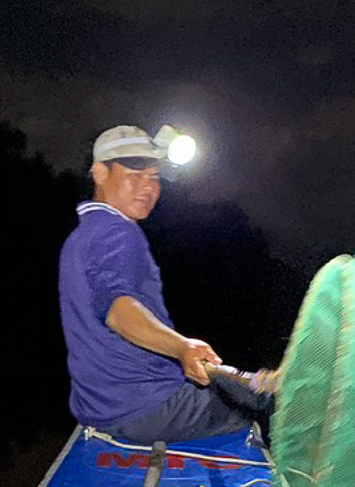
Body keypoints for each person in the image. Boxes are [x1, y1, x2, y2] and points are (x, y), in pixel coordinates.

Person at [57, 125, 275, 444]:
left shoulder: (82, 236)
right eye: (135, 175)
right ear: (100, 173)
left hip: (98, 406)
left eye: (154, 177)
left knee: (241, 386)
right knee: (264, 412)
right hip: (144, 408)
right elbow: (119, 311)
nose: (148, 187)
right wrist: (182, 347)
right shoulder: (118, 233)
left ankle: (252, 383)